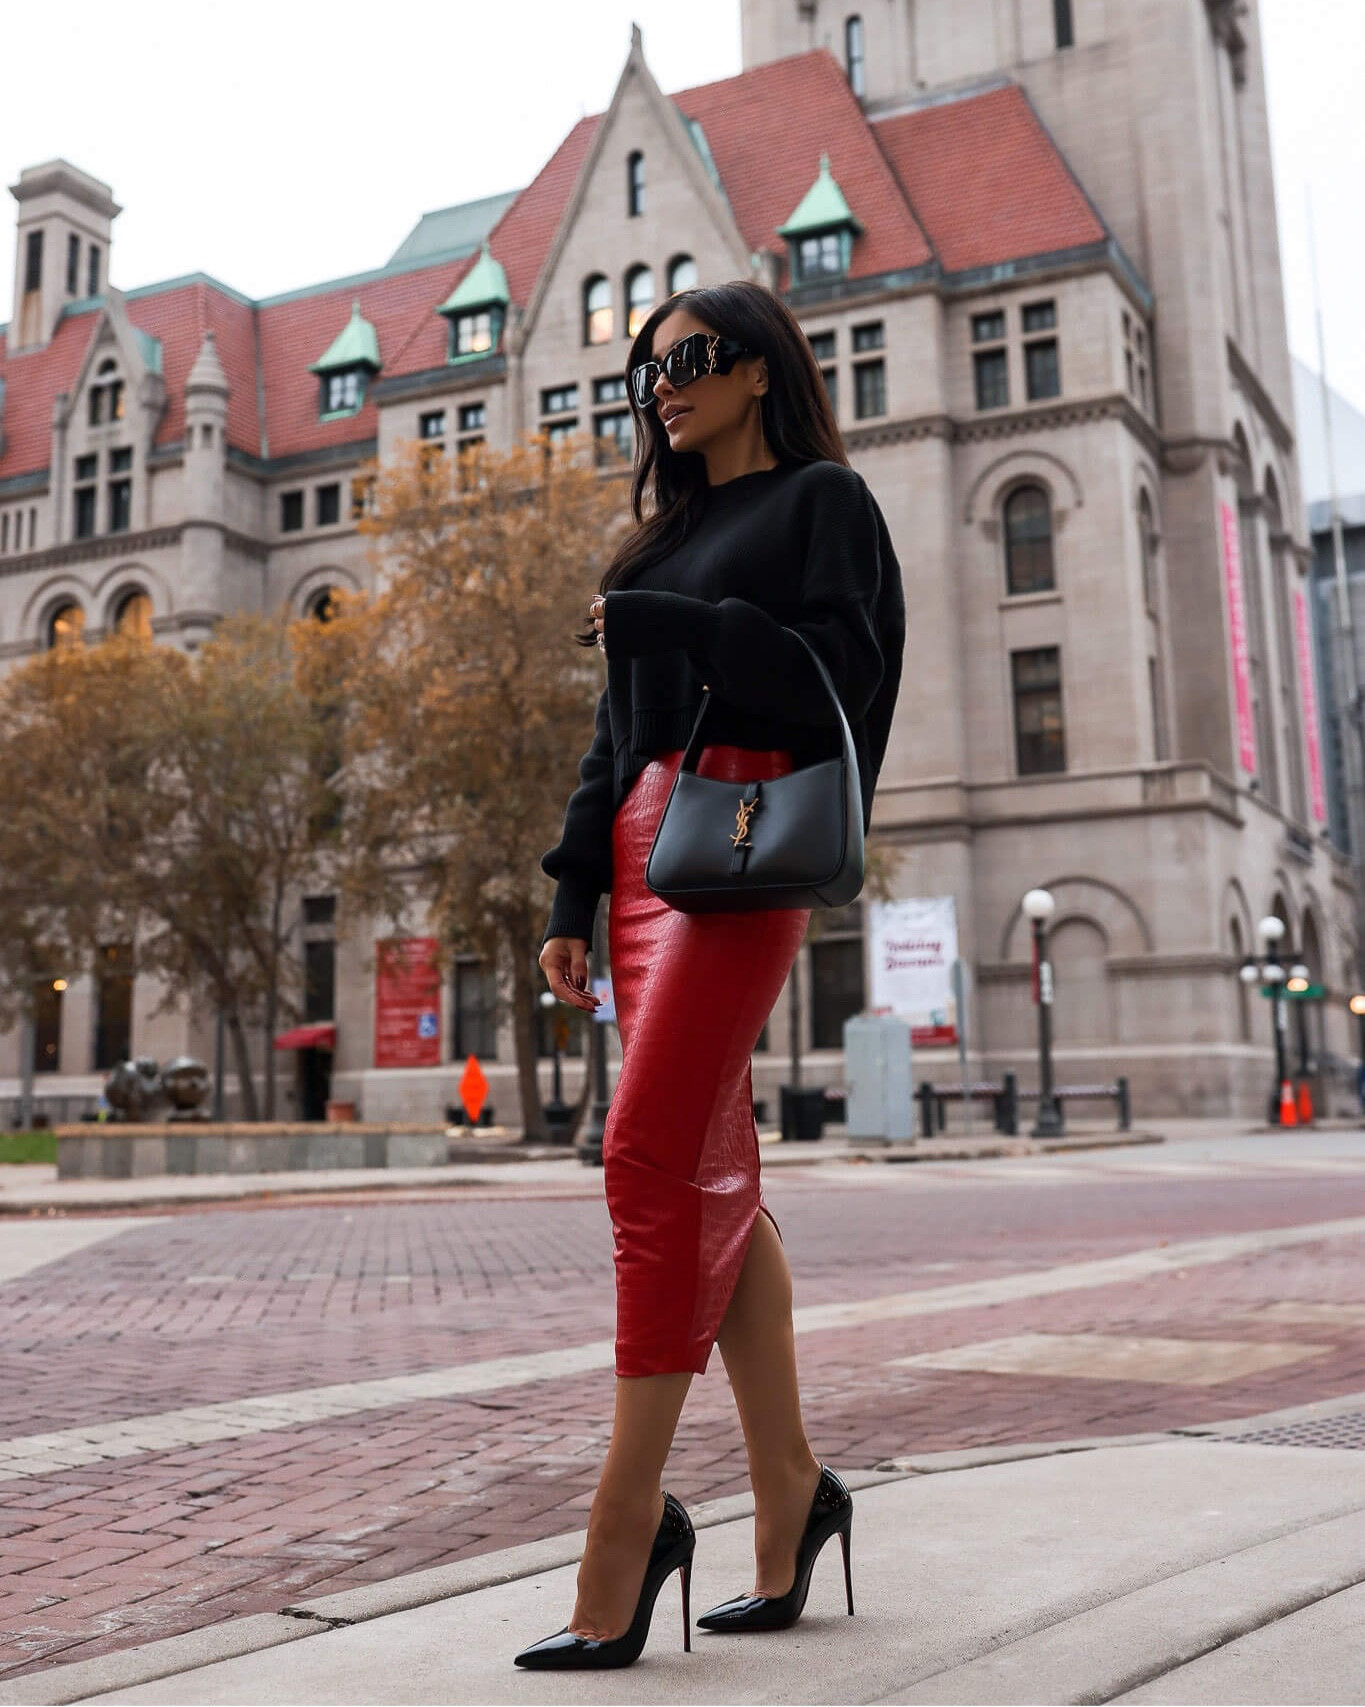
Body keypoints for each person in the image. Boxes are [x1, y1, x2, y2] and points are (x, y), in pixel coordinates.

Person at [517, 279, 906, 1671]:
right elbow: (607, 740)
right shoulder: (658, 536)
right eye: (643, 374)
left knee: (641, 1156)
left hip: (743, 836)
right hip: (640, 854)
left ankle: (622, 1528)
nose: (658, 389)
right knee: (703, 1165)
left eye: (684, 361)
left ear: (758, 369)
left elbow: (840, 694)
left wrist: (675, 631)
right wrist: (572, 883)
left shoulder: (822, 508)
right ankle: (791, 1492)